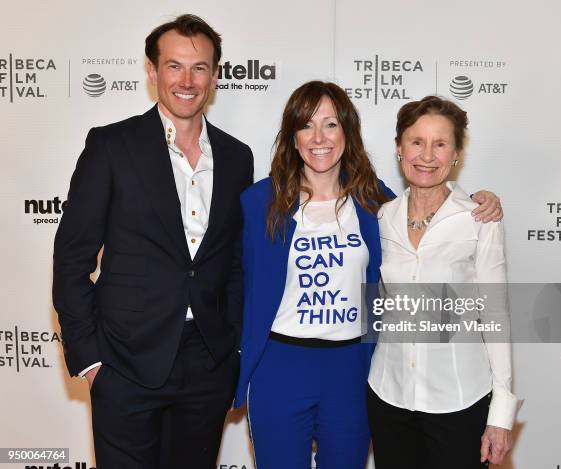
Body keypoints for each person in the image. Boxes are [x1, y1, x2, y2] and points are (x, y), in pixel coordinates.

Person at [234, 82, 502, 468]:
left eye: (330, 124)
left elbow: (430, 206)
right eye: (306, 126)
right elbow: (232, 280)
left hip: (352, 368)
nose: (319, 138)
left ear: (347, 133)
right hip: (280, 366)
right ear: (292, 137)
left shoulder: (375, 201)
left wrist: (481, 199)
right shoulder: (259, 202)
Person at [52, 14, 253, 469]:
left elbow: (234, 262)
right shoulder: (111, 146)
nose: (187, 80)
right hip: (124, 362)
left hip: (208, 363)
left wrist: (233, 348)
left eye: (199, 67)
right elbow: (72, 258)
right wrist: (90, 360)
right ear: (152, 70)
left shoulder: (238, 157)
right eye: (174, 66)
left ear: (216, 75)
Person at [367, 96, 518, 469]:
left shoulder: (479, 218)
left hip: (460, 401)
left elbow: (495, 314)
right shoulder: (381, 217)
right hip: (389, 395)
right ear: (399, 148)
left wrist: (500, 414)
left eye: (440, 144)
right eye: (416, 142)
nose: (427, 155)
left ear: (456, 154)